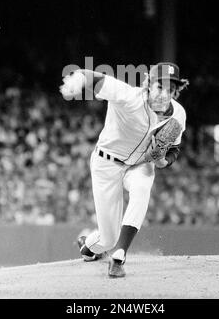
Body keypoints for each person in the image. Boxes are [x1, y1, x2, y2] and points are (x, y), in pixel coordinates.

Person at [60, 62, 188, 278]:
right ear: (148, 84)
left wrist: (164, 162)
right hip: (106, 164)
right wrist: (77, 80)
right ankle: (89, 247)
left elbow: (174, 147)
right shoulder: (128, 96)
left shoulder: (178, 114)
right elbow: (95, 78)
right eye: (159, 87)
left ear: (176, 92)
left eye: (171, 90)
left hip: (140, 164)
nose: (164, 94)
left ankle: (119, 254)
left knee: (142, 186)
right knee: (107, 239)